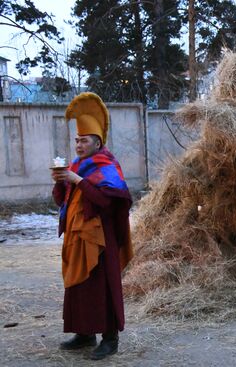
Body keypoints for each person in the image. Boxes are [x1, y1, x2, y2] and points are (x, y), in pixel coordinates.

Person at [51, 92, 133, 360]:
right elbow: (60, 200)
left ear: (97, 142)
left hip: (100, 237)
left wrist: (77, 180)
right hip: (77, 236)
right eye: (76, 140)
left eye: (83, 140)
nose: (78, 145)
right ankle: (85, 333)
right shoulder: (77, 165)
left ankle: (110, 339)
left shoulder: (106, 165)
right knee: (79, 285)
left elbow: (105, 201)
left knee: (102, 286)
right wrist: (60, 182)